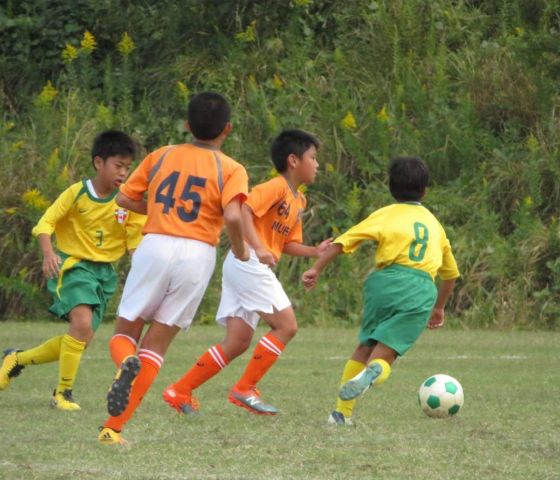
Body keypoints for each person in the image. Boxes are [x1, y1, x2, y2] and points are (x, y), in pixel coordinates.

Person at [98, 92, 249, 445]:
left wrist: (156, 210)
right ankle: (112, 429)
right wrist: (241, 250)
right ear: (227, 129)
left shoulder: (162, 155)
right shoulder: (232, 168)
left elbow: (123, 197)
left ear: (187, 125)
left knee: (125, 332)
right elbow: (232, 216)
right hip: (197, 254)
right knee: (156, 346)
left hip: (155, 245)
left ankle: (124, 365)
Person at [162, 129, 331, 416]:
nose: (317, 164)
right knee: (287, 326)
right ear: (293, 160)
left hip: (245, 264)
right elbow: (244, 211)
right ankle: (245, 388)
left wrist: (315, 251)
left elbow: (287, 243)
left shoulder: (299, 200)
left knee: (238, 341)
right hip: (248, 260)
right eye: (313, 158)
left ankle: (180, 390)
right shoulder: (276, 187)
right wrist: (259, 247)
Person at [302, 156, 460, 425]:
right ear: (425, 191)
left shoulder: (385, 214)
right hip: (419, 288)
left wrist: (316, 268)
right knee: (385, 355)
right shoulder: (435, 225)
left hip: (382, 283)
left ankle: (341, 414)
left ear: (391, 188)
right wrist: (439, 308)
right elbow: (450, 275)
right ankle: (374, 371)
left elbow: (344, 241)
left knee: (365, 346)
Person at [0, 130, 145, 411]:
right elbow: (45, 222)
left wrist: (144, 274)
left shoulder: (128, 202)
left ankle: (17, 358)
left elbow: (134, 245)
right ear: (98, 162)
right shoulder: (77, 193)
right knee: (82, 325)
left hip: (105, 276)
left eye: (127, 167)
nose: (123, 173)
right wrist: (48, 253)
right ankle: (62, 394)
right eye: (118, 165)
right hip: (75, 267)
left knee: (81, 339)